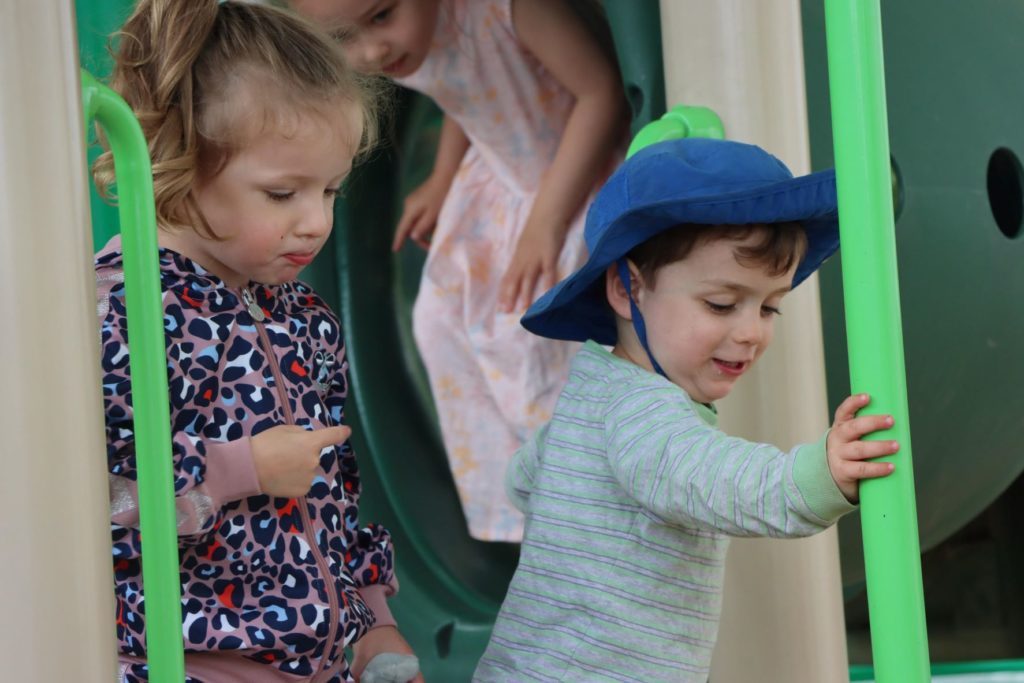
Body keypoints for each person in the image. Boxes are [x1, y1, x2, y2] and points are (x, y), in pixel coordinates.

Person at [472, 138, 899, 682]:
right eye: (720, 304)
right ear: (627, 290)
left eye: (769, 306)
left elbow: (523, 479)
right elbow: (709, 478)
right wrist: (818, 475)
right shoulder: (641, 412)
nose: (750, 332)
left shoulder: (594, 390)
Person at [92, 2, 422, 681]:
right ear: (177, 157)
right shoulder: (122, 310)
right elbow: (93, 499)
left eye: (331, 189)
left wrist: (374, 625)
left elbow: (333, 494)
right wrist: (240, 468)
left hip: (316, 662)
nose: (315, 222)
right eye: (281, 193)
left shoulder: (301, 316)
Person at [290, 0, 630, 541]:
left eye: (382, 15)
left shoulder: (511, 11)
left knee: (525, 334)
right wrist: (443, 176)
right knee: (436, 321)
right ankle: (517, 513)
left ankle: (589, 505)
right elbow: (465, 86)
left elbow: (601, 92)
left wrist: (545, 221)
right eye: (341, 38)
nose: (371, 50)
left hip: (569, 179)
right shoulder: (417, 36)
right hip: (500, 181)